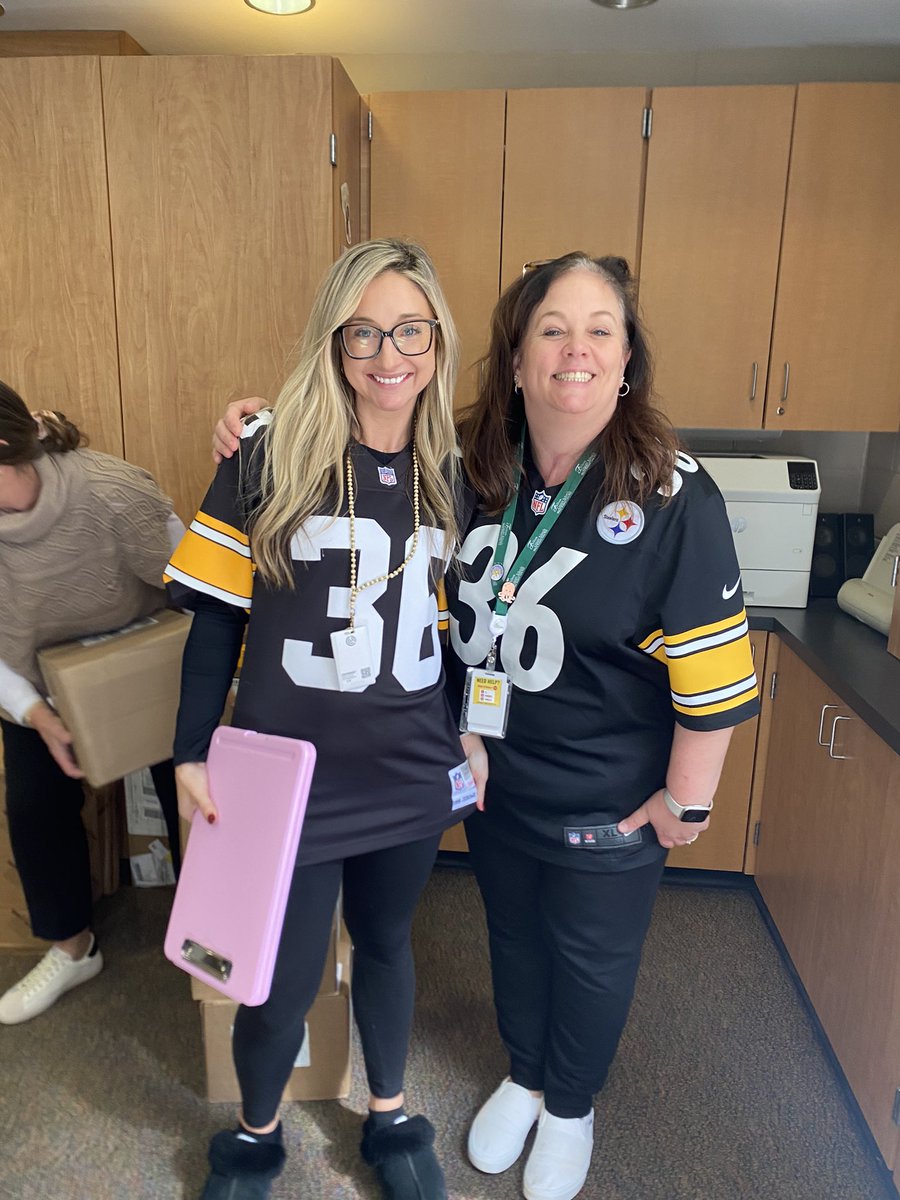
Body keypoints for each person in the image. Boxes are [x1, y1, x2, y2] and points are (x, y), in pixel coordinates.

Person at [212, 252, 759, 1200]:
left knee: (588, 956)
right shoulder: (475, 467)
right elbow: (368, 431)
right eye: (551, 328)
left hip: (610, 792)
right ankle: (525, 1072)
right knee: (511, 934)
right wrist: (258, 423)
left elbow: (710, 679)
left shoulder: (673, 492)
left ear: (629, 360)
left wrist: (688, 804)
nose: (575, 350)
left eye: (600, 330)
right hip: (487, 774)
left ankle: (572, 1103)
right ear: (514, 357)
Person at [167, 238, 486, 1200]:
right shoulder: (269, 452)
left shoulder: (456, 472)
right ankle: (254, 1138)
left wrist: (468, 728)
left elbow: (458, 633)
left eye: (411, 331)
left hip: (406, 767)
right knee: (278, 975)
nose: (391, 355)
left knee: (389, 946)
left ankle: (389, 1118)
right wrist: (190, 750)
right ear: (334, 341)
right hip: (287, 780)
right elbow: (217, 616)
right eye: (365, 333)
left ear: (437, 341)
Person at [0, 383, 182, 1026]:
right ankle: (72, 947)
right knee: (31, 799)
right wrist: (36, 714)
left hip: (150, 659)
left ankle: (215, 934)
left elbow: (191, 579)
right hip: (41, 681)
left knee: (195, 792)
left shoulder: (108, 489)